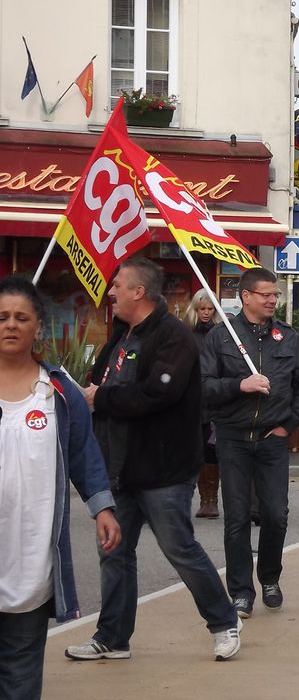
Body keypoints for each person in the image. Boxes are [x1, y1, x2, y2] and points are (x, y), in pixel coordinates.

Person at [65, 258, 241, 663]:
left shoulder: (173, 337)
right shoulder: (120, 336)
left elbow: (158, 393)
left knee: (179, 548)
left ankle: (224, 621)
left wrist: (100, 398)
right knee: (113, 552)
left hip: (162, 470)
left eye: (118, 286)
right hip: (118, 469)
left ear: (138, 292)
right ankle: (112, 637)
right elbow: (99, 382)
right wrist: (86, 394)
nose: (111, 292)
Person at [0, 277, 120, 699]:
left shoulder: (57, 392)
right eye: (2, 317)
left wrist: (102, 508)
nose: (10, 325)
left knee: (19, 669)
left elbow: (84, 455)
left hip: (32, 556)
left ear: (38, 328)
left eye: (21, 318)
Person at [200, 267, 299, 619]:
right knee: (235, 518)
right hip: (233, 438)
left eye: (275, 294)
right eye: (265, 294)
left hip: (272, 439)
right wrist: (239, 385)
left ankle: (269, 577)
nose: (272, 300)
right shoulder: (221, 338)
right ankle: (240, 591)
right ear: (245, 296)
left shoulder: (288, 338)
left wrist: (289, 424)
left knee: (275, 515)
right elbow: (203, 387)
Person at [184, 289, 221, 519]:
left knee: (211, 450)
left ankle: (211, 500)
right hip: (191, 399)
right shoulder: (185, 333)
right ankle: (202, 499)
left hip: (214, 399)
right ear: (195, 310)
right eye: (202, 309)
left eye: (210, 309)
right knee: (195, 449)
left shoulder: (221, 334)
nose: (206, 313)